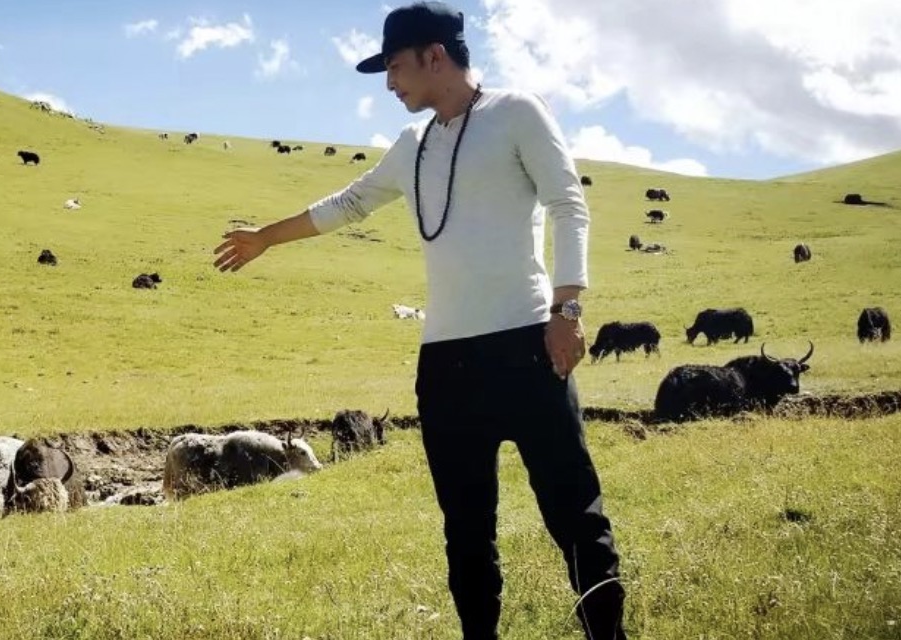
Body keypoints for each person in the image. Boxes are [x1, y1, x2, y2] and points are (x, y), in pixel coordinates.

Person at [210, 2, 627, 638]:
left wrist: (566, 309)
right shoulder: (413, 145)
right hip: (446, 365)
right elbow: (349, 203)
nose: (389, 83)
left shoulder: (517, 111)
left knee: (574, 514)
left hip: (527, 345)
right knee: (466, 530)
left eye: (395, 66)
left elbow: (569, 206)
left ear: (435, 56)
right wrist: (267, 236)